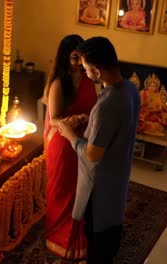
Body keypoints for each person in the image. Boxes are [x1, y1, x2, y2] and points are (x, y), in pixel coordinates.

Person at [57, 36, 140, 263]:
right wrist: (90, 126)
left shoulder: (107, 104)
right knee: (110, 232)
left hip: (101, 184)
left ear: (97, 71)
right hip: (118, 172)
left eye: (85, 68)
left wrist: (70, 134)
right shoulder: (131, 89)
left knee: (98, 237)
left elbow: (93, 154)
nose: (84, 72)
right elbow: (116, 132)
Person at [43, 34, 97, 261]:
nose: (79, 63)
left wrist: (87, 120)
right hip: (64, 143)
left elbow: (94, 107)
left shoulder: (88, 79)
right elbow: (54, 118)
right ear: (65, 57)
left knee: (81, 187)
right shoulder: (58, 83)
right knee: (63, 189)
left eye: (82, 58)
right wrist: (73, 120)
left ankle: (78, 228)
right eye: (75, 58)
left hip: (83, 140)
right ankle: (59, 234)